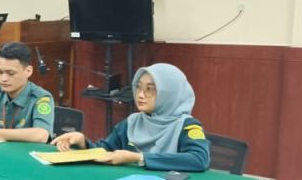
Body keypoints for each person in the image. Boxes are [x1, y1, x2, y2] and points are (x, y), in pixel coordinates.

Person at [51, 62, 210, 172]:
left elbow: (199, 159)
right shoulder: (132, 122)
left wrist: (138, 157)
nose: (140, 95)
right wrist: (83, 142)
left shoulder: (186, 125)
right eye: (138, 88)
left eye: (150, 89)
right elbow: (106, 151)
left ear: (169, 94)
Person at [0, 42, 54, 143]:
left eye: (11, 73)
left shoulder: (41, 97)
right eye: (0, 72)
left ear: (28, 71)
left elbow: (41, 135)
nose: (3, 79)